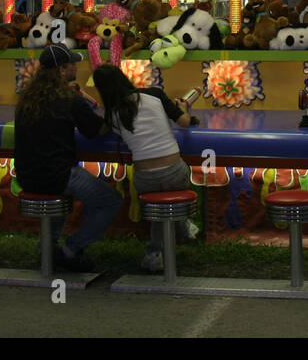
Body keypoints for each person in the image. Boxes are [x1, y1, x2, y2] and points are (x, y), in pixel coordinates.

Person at [14, 44, 120, 271]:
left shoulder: (26, 97)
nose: (76, 67)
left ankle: (48, 250)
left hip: (25, 174)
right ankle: (70, 251)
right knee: (110, 200)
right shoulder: (69, 98)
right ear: (63, 70)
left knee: (59, 190)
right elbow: (97, 131)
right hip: (58, 174)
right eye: (73, 63)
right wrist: (114, 110)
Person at [91, 64, 199, 273]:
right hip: (176, 172)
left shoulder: (112, 114)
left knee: (160, 206)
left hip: (144, 179)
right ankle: (175, 234)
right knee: (169, 197)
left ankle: (158, 252)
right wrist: (183, 109)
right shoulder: (154, 94)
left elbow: (106, 132)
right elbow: (184, 123)